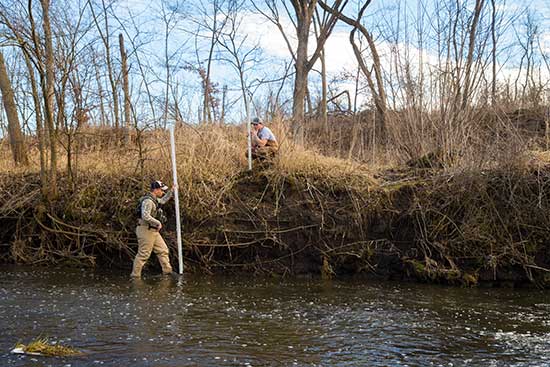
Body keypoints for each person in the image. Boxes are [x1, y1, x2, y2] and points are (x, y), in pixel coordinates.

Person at [131, 180, 176, 278]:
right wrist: (158, 222)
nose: (162, 192)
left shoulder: (154, 199)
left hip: (153, 231)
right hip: (145, 230)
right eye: (161, 190)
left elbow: (163, 201)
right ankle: (135, 276)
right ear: (155, 190)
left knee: (163, 250)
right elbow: (145, 216)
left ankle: (167, 272)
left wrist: (171, 191)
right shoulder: (148, 201)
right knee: (143, 255)